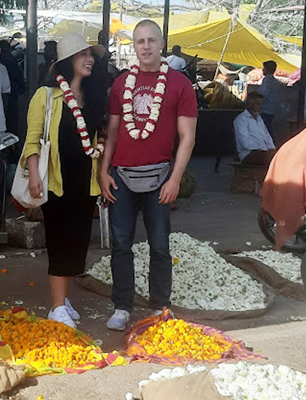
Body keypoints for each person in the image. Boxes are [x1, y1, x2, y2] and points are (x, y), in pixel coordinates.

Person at [100, 20, 197, 331]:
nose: (146, 46)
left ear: (161, 42)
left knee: (159, 246)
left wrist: (175, 178)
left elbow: (188, 137)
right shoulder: (120, 84)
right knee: (120, 245)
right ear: (134, 45)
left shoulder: (180, 84)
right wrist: (103, 172)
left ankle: (158, 307)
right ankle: (122, 306)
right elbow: (112, 132)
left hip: (160, 177)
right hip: (121, 177)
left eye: (151, 40)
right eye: (140, 41)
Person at [22, 33, 107, 328]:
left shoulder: (92, 99)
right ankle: (56, 306)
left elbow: (98, 141)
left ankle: (64, 299)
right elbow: (32, 140)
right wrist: (34, 175)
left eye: (91, 55)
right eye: (82, 54)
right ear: (67, 62)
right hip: (56, 181)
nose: (89, 60)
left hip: (85, 183)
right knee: (59, 241)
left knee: (78, 242)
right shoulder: (45, 96)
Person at [233, 91, 276, 165]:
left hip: (264, 153)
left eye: (261, 104)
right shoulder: (241, 120)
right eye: (258, 104)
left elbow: (267, 136)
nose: (261, 107)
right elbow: (245, 143)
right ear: (250, 105)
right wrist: (263, 149)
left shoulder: (259, 119)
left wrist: (272, 148)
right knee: (271, 158)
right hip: (249, 154)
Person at [0, 40, 25, 135]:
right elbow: (20, 81)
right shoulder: (12, 61)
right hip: (12, 96)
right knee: (12, 126)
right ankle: (12, 147)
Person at [258, 60, 281, 135]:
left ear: (267, 69)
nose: (262, 70)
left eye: (264, 68)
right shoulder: (275, 82)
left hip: (265, 110)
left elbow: (263, 94)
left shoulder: (267, 80)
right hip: (272, 110)